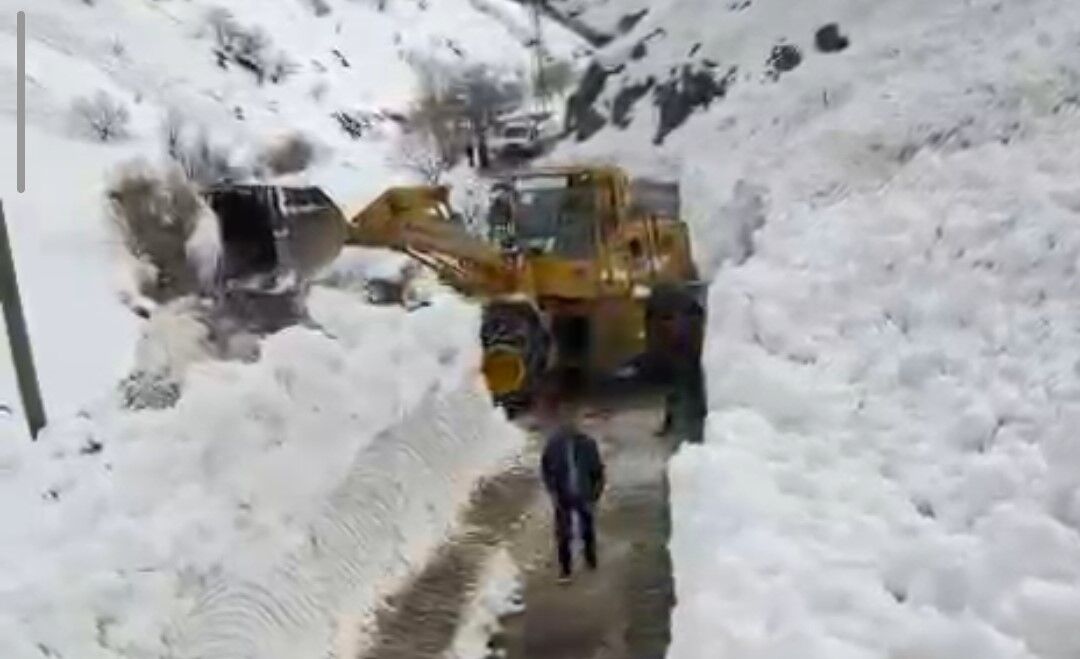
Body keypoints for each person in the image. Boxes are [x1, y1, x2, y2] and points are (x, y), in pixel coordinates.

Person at [540, 396, 606, 584]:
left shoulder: (587, 444)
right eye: (565, 419)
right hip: (562, 494)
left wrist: (595, 492)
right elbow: (545, 467)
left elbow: (597, 470)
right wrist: (552, 488)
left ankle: (590, 559)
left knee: (587, 528)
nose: (569, 423)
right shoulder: (554, 445)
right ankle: (565, 568)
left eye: (573, 419)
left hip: (584, 492)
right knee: (563, 532)